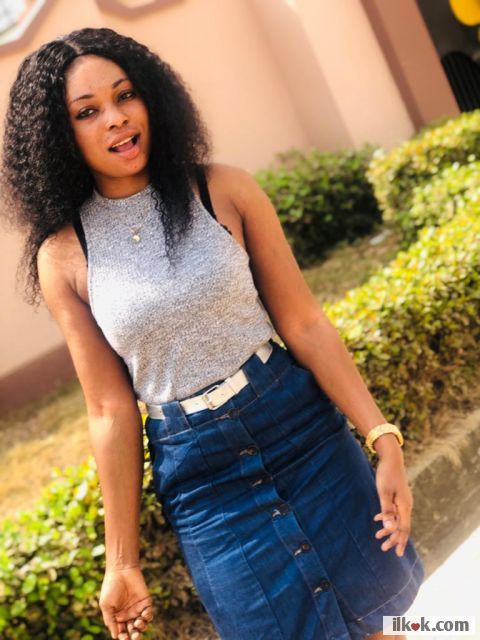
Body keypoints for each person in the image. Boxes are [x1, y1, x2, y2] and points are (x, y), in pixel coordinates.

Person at [1, 26, 425, 640]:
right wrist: (121, 563)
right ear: (57, 137)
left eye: (125, 96)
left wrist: (382, 437)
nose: (116, 119)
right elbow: (109, 409)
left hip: (303, 433)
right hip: (203, 480)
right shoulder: (63, 256)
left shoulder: (223, 189)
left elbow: (304, 323)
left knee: (384, 619)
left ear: (152, 97)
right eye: (87, 112)